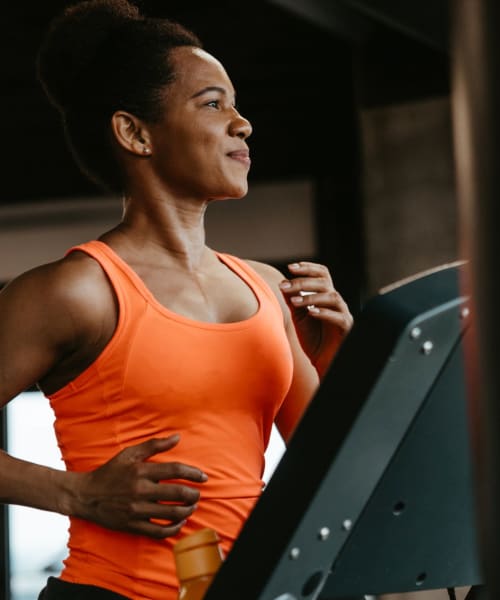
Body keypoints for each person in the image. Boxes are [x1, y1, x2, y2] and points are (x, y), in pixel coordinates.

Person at [0, 1, 353, 598]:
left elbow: (336, 473)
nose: (242, 123)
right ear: (135, 133)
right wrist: (78, 493)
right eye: (213, 103)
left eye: (237, 104)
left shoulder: (267, 288)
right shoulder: (74, 291)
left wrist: (338, 359)